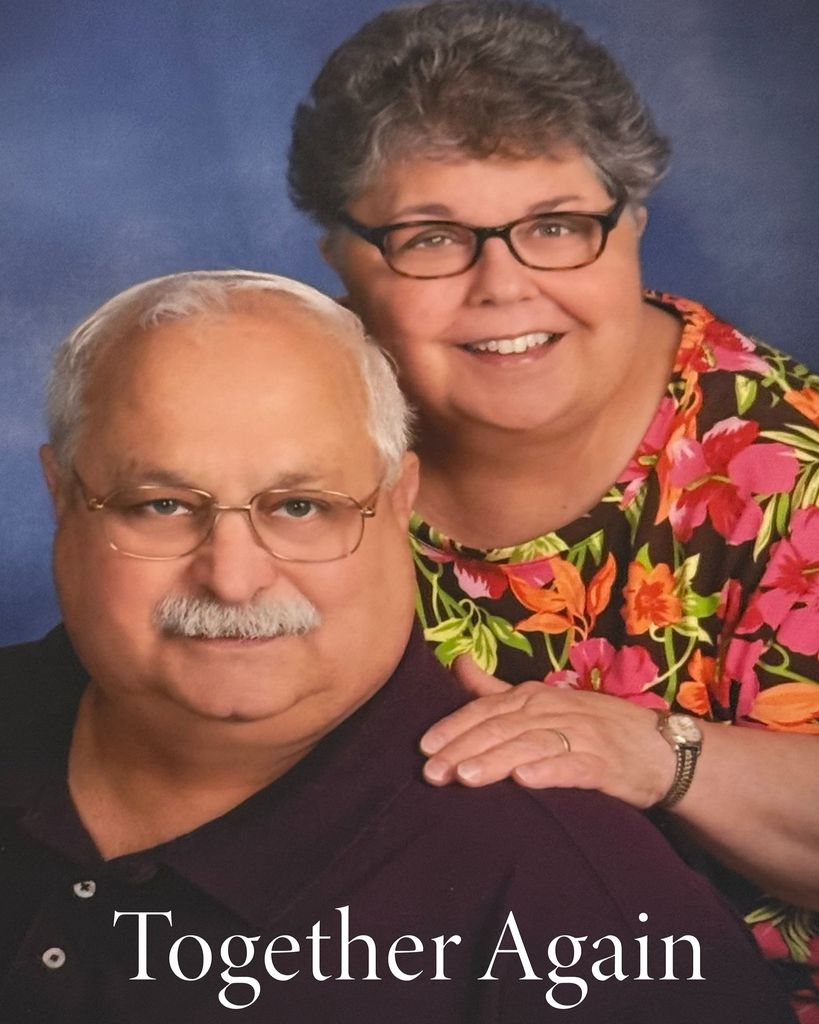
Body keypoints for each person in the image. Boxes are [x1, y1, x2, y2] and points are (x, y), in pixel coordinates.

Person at [2, 269, 796, 1022]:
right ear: (61, 498)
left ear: (398, 501)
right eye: (163, 505)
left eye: (302, 507)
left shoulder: (588, 914)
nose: (234, 580)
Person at [287, 1, 819, 1017]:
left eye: (556, 227)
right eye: (432, 237)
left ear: (633, 228)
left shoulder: (788, 466)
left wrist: (659, 756)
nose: (504, 286)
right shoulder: (296, 424)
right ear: (340, 260)